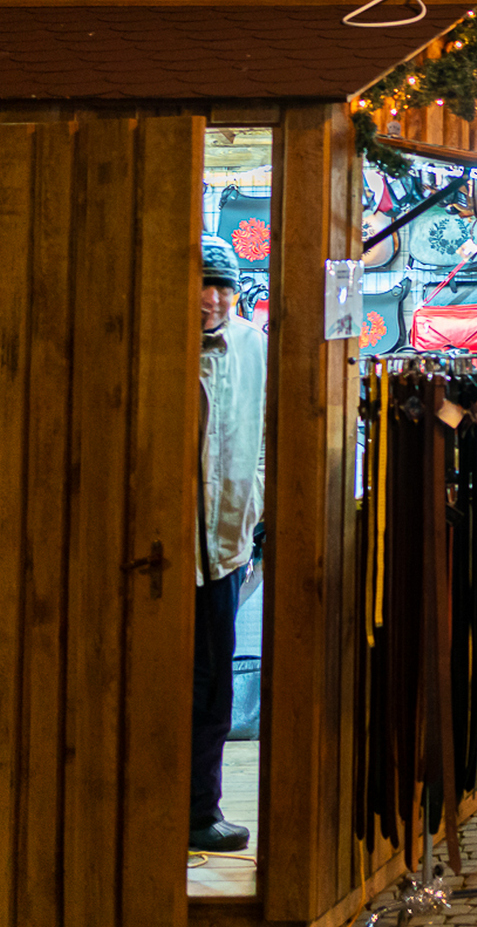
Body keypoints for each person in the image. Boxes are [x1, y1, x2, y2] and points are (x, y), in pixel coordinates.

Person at [193, 234, 268, 851]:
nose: (212, 298)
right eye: (203, 283)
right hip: (160, 551)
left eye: (222, 285)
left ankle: (200, 808)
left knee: (214, 685)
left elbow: (266, 430)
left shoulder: (251, 346)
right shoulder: (156, 334)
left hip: (222, 547)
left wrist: (254, 507)